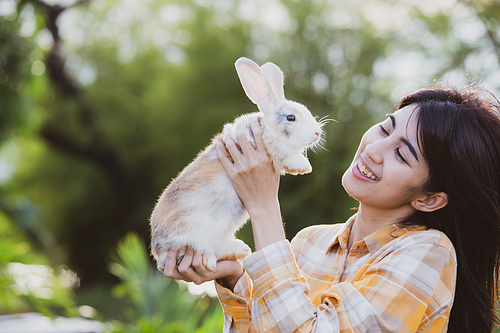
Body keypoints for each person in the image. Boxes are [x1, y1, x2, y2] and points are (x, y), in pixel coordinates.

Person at [162, 85, 500, 333]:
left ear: (429, 198)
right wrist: (234, 277)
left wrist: (263, 203)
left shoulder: (429, 253)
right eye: (384, 128)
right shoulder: (309, 242)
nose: (374, 149)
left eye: (402, 154)